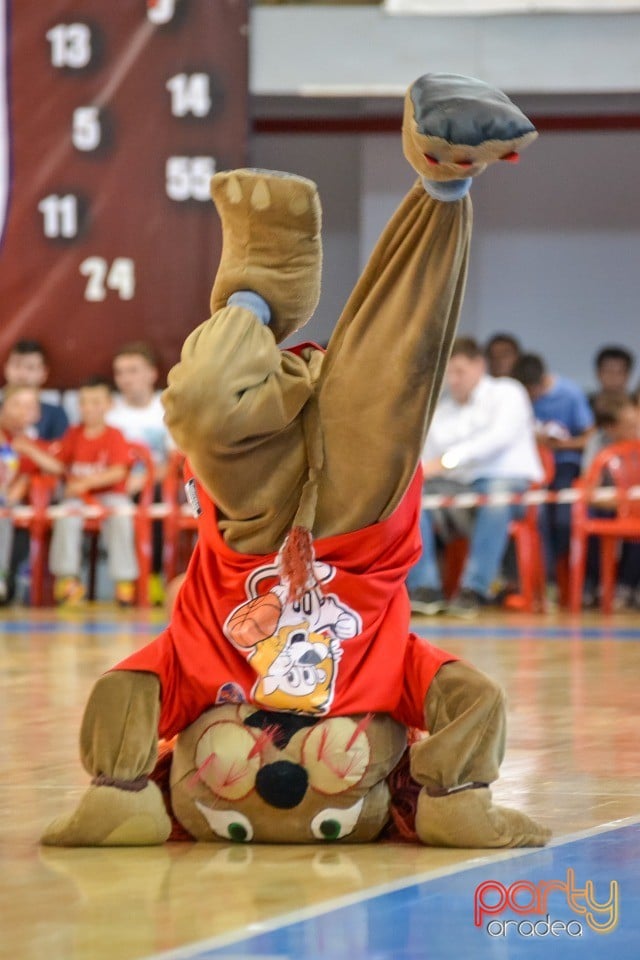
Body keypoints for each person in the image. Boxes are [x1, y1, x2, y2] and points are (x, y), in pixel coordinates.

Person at [41, 74, 549, 850]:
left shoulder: (188, 673)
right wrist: (456, 794)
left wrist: (117, 788)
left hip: (247, 525)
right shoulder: (389, 677)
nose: (280, 771)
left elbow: (125, 693)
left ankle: (261, 284)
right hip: (360, 527)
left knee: (202, 405)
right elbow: (468, 700)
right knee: (397, 368)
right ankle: (444, 178)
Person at [408, 337, 543, 619]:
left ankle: (475, 589)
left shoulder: (507, 392)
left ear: (479, 365)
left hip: (507, 485)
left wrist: (447, 461)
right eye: (447, 373)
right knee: (410, 499)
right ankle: (425, 588)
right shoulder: (441, 410)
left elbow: (497, 439)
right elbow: (426, 459)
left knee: (495, 498)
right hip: (457, 491)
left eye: (459, 371)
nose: (453, 380)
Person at [47, 377, 139, 607]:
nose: (89, 408)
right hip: (78, 500)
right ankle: (67, 579)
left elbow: (118, 472)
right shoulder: (73, 434)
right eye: (84, 402)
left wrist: (85, 483)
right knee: (66, 515)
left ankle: (124, 581)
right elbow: (57, 464)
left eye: (96, 402)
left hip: (111, 496)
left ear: (109, 405)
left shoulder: (114, 434)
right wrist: (28, 448)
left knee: (122, 515)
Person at [512, 352, 594, 591]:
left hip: (565, 464)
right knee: (537, 520)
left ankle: (566, 579)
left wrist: (559, 445)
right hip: (531, 467)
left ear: (541, 381)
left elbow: (589, 437)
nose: (531, 398)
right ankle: (541, 583)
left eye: (533, 392)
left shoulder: (569, 393)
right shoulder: (517, 397)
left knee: (562, 519)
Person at [106, 342, 173, 603]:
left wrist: (145, 479)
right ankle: (125, 581)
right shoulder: (110, 413)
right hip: (118, 483)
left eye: (133, 370)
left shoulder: (167, 408)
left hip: (155, 482)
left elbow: (172, 461)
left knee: (153, 498)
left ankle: (152, 575)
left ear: (152, 374)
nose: (125, 379)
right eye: (120, 372)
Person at [0, 386, 63, 602]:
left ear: (37, 414)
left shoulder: (34, 443)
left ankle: (4, 581)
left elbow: (58, 468)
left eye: (29, 406)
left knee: (8, 517)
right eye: (16, 404)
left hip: (15, 511)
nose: (22, 411)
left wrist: (28, 452)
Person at [581, 392, 640, 608]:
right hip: (608, 505)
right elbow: (589, 491)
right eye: (629, 425)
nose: (635, 429)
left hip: (634, 508)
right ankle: (595, 584)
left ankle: (627, 586)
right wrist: (621, 503)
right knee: (593, 518)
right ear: (611, 428)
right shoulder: (597, 444)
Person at [2, 339, 69, 440]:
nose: (22, 375)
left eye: (30, 368)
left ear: (44, 373)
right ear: (6, 369)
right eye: (16, 366)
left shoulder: (56, 415)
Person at [588, 345, 635, 411]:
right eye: (608, 372)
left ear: (628, 375)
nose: (613, 377)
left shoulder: (637, 405)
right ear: (598, 374)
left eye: (619, 372)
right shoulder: (585, 406)